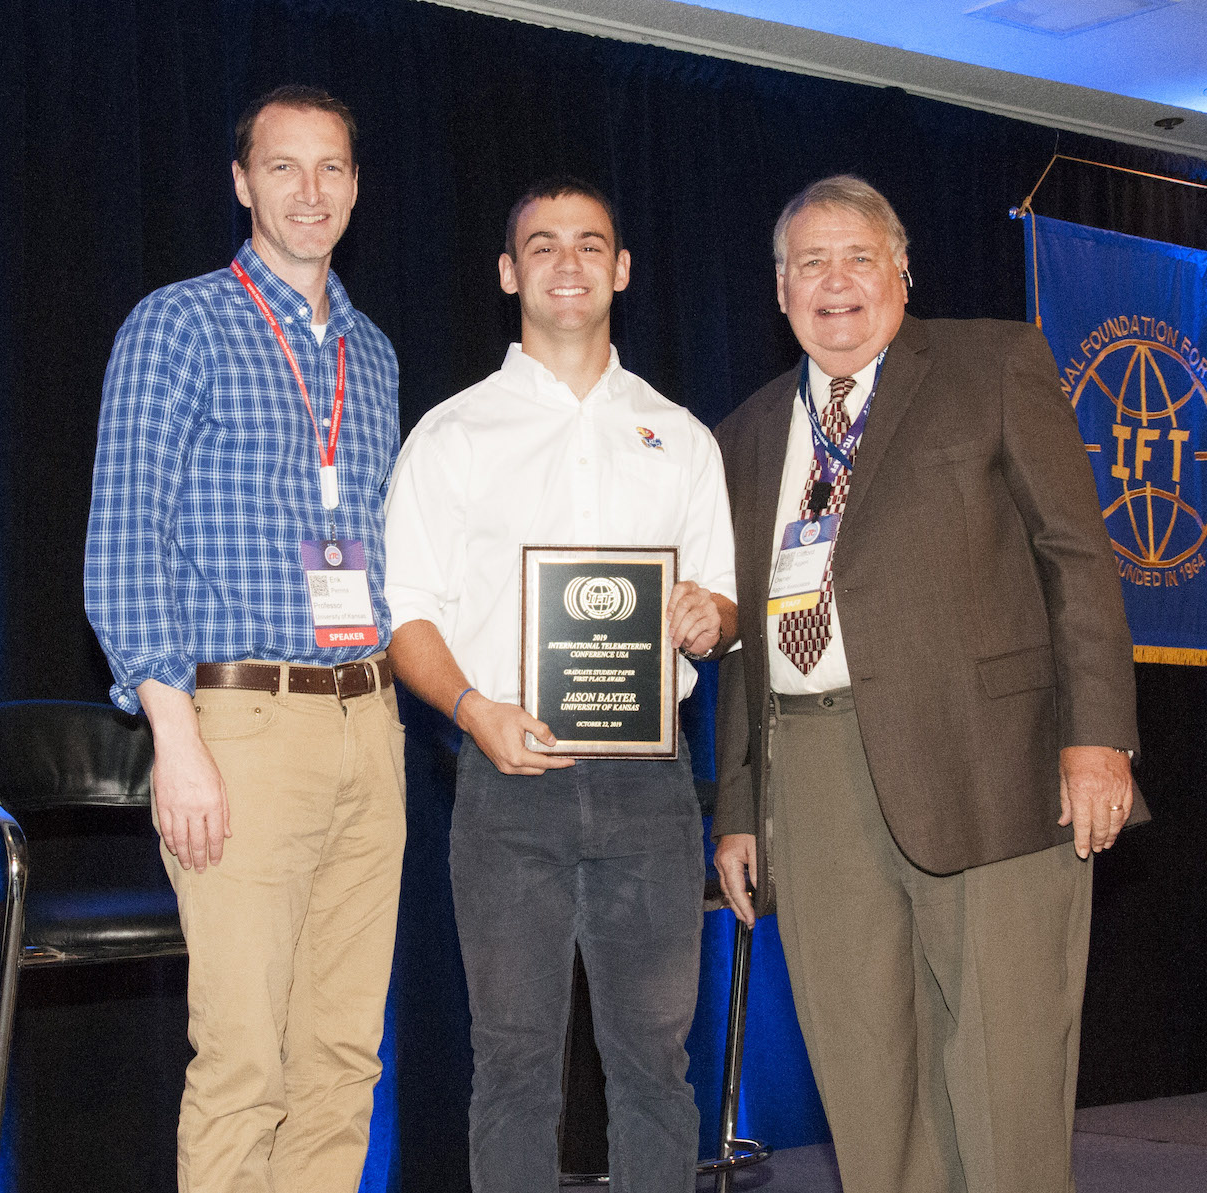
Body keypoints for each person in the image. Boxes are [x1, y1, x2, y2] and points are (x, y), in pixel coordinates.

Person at [712, 175, 1144, 1193]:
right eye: (808, 262)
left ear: (901, 272)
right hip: (809, 779)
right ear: (778, 290)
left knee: (1004, 1077)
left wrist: (1097, 737)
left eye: (857, 256)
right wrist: (739, 807)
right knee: (867, 1084)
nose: (834, 281)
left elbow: (1075, 558)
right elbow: (736, 638)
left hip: (988, 766)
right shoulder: (743, 432)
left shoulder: (990, 362)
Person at [382, 177, 737, 1193]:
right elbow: (406, 616)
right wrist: (470, 709)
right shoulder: (450, 436)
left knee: (653, 1069)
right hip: (503, 785)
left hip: (649, 787)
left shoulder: (680, 435)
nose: (568, 262)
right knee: (512, 1067)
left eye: (590, 244)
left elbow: (718, 600)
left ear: (621, 269)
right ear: (508, 273)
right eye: (542, 245)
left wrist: (709, 618)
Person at [84, 85, 405, 1193]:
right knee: (244, 1060)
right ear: (240, 182)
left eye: (331, 169)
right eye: (283, 167)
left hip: (371, 719)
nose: (308, 191)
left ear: (355, 188)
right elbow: (125, 537)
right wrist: (175, 734)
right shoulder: (176, 322)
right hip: (240, 724)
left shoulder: (375, 353)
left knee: (342, 1056)